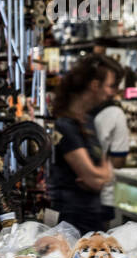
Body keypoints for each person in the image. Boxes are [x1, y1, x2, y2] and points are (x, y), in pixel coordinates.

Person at [50, 56, 117, 233]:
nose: (111, 92)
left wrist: (98, 175)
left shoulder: (89, 121)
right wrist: (97, 176)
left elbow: (104, 174)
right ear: (95, 85)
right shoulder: (65, 125)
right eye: (109, 85)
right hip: (72, 222)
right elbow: (94, 179)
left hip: (91, 217)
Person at [92, 56, 131, 221]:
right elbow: (118, 161)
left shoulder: (75, 111)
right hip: (100, 196)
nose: (114, 92)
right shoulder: (115, 114)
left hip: (71, 196)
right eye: (112, 86)